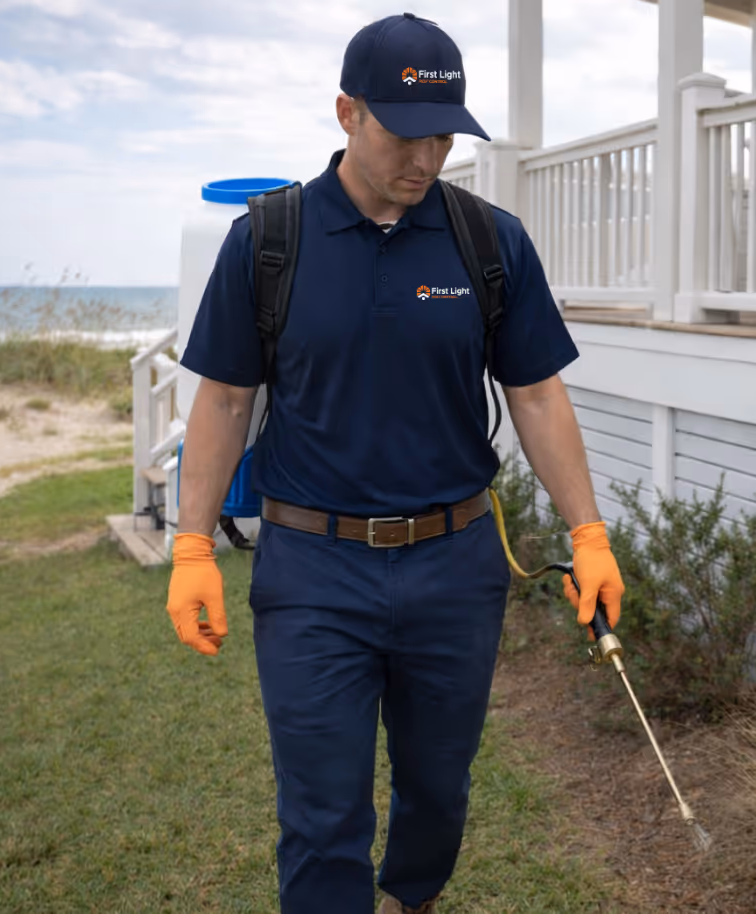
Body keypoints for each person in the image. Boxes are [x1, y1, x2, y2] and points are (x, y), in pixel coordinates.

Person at [164, 12, 625, 914]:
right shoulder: (268, 242)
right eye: (406, 133)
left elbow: (535, 394)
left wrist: (590, 532)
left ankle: (411, 897)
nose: (426, 157)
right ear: (346, 112)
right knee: (322, 813)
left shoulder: (487, 243)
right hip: (312, 569)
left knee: (437, 795)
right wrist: (191, 547)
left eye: (445, 135)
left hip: (453, 568)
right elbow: (222, 400)